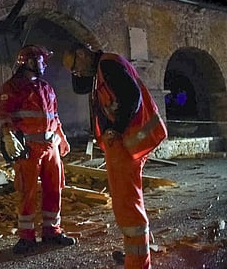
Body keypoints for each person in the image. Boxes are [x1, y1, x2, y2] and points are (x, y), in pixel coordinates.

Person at [62, 42, 167, 269]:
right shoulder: (101, 67)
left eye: (75, 66)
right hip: (123, 144)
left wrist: (116, 129)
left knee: (127, 205)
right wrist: (79, 66)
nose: (77, 74)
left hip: (125, 143)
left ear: (82, 53)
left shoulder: (108, 65)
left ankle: (138, 262)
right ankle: (138, 253)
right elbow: (80, 88)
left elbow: (132, 97)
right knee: (130, 201)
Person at [0, 44, 77, 254]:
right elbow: (4, 115)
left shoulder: (46, 88)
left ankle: (52, 231)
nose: (45, 65)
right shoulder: (12, 87)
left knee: (54, 189)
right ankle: (27, 237)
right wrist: (8, 136)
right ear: (30, 62)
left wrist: (62, 137)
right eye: (42, 60)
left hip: (51, 147)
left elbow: (54, 117)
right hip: (28, 148)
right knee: (27, 191)